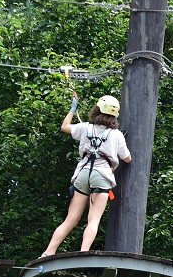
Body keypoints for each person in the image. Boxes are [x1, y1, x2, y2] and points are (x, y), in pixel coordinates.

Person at [42, 95, 131, 257]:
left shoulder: (85, 128)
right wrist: (117, 143)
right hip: (102, 176)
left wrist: (73, 108)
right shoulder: (116, 135)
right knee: (94, 219)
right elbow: (127, 158)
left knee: (70, 219)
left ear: (97, 110)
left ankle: (48, 252)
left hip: (83, 174)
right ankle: (84, 252)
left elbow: (65, 126)